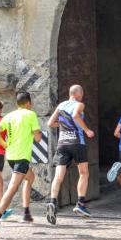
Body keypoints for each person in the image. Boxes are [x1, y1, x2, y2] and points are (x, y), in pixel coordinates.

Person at [0, 91, 42, 238]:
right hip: (22, 157)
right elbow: (37, 138)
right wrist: (37, 133)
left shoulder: (9, 116)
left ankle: (26, 211)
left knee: (30, 177)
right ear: (29, 103)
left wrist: (5, 145)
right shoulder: (30, 114)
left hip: (11, 156)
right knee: (12, 188)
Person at [46, 84, 95, 225]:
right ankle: (80, 204)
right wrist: (87, 130)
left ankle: (52, 202)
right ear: (79, 94)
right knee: (84, 173)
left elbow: (50, 123)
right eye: (82, 93)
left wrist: (62, 125)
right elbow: (75, 116)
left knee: (59, 175)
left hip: (62, 143)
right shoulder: (79, 105)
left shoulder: (61, 105)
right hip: (77, 142)